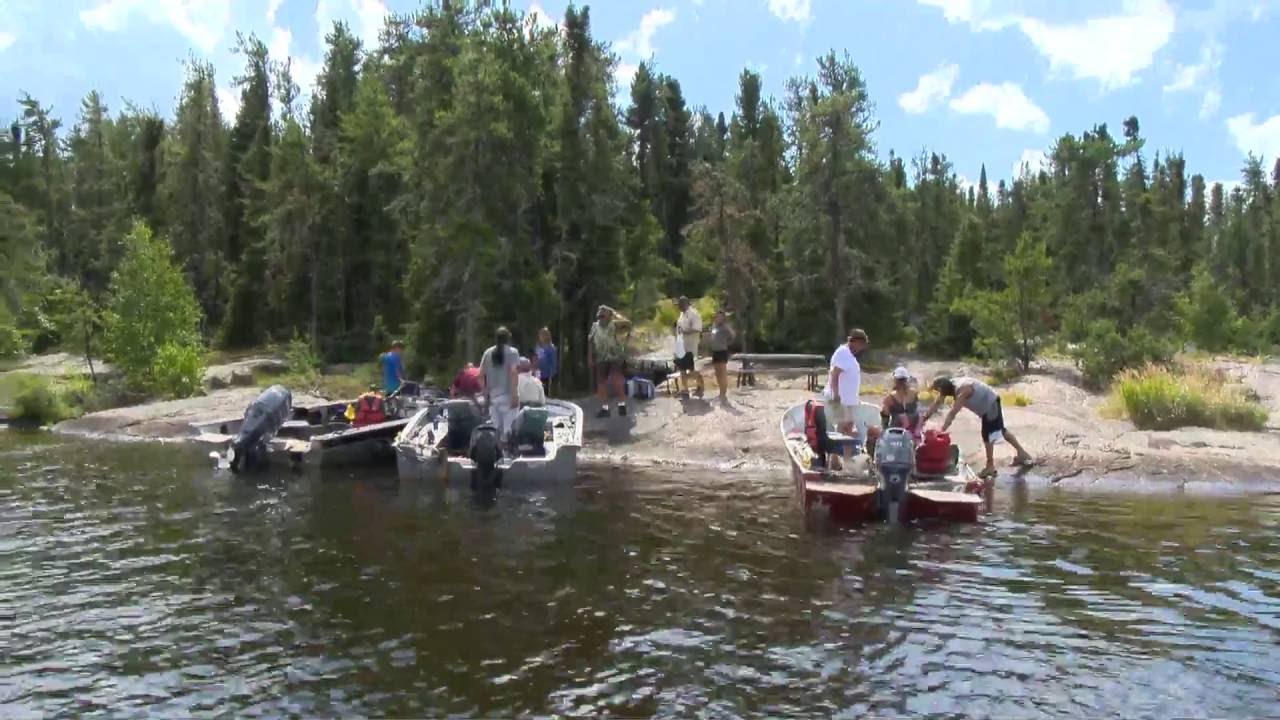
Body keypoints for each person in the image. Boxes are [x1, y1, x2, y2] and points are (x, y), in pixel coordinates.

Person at [922, 375, 1034, 479]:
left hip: (990, 404)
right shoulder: (949, 385)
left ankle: (990, 467)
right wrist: (924, 418)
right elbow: (937, 403)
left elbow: (953, 413)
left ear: (944, 389)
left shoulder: (962, 390)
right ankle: (1022, 454)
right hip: (988, 404)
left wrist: (942, 430)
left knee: (988, 434)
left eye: (939, 391)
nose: (939, 393)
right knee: (1000, 430)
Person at [822, 328, 880, 464]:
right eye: (862, 344)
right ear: (855, 341)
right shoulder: (843, 353)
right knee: (842, 429)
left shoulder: (849, 355)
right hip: (840, 400)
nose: (862, 348)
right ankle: (836, 461)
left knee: (847, 429)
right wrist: (836, 396)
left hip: (847, 401)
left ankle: (845, 460)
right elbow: (834, 374)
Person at [479, 327, 522, 439]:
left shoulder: (488, 353)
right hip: (508, 396)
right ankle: (508, 452)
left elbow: (480, 375)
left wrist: (485, 395)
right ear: (508, 338)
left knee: (495, 430)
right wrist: (514, 395)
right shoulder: (513, 352)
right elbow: (513, 373)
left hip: (493, 397)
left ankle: (496, 453)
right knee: (508, 429)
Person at [588, 305, 629, 419]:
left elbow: (628, 324)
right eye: (599, 315)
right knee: (601, 383)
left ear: (609, 316)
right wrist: (590, 358)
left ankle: (622, 404)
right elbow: (591, 342)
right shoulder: (595, 327)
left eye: (603, 315)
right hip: (601, 357)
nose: (601, 317)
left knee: (617, 380)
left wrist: (614, 314)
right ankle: (605, 408)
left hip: (614, 357)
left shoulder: (615, 325)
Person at [881, 366, 922, 442]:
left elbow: (885, 417)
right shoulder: (914, 393)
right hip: (913, 430)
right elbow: (919, 411)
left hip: (897, 430)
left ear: (895, 379)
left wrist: (884, 431)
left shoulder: (890, 397)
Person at [674, 296, 705, 398]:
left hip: (690, 346)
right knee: (682, 368)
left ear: (685, 303)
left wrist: (686, 331)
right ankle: (685, 389)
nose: (678, 306)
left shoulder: (693, 314)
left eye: (680, 304)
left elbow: (697, 329)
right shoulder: (681, 315)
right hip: (681, 345)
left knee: (692, 369)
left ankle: (701, 386)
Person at [707, 310, 735, 400]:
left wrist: (727, 343)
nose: (718, 318)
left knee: (722, 373)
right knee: (718, 373)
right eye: (717, 316)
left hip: (722, 351)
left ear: (723, 318)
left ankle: (723, 393)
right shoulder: (714, 327)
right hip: (715, 352)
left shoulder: (725, 327)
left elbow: (733, 335)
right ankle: (720, 392)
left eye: (720, 316)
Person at [534, 327, 558, 396]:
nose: (540, 336)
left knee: (546, 394)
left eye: (541, 335)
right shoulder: (538, 346)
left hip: (547, 375)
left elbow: (553, 362)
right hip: (538, 374)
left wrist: (552, 373)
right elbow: (536, 357)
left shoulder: (551, 348)